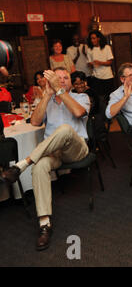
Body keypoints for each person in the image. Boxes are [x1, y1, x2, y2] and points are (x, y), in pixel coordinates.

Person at [0, 67, 90, 251]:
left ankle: (21, 165)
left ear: (70, 82)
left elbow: (79, 113)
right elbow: (34, 122)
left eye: (66, 78)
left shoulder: (81, 97)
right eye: (58, 78)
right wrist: (47, 96)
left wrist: (60, 91)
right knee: (39, 166)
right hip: (54, 153)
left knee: (65, 129)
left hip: (76, 148)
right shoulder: (47, 100)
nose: (62, 80)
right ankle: (44, 224)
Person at [86, 30, 114, 101]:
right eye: (91, 38)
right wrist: (91, 64)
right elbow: (89, 63)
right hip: (96, 77)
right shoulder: (89, 49)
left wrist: (100, 63)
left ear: (99, 38)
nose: (92, 40)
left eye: (94, 38)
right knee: (97, 98)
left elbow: (110, 62)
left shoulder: (106, 47)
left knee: (109, 97)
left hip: (108, 77)